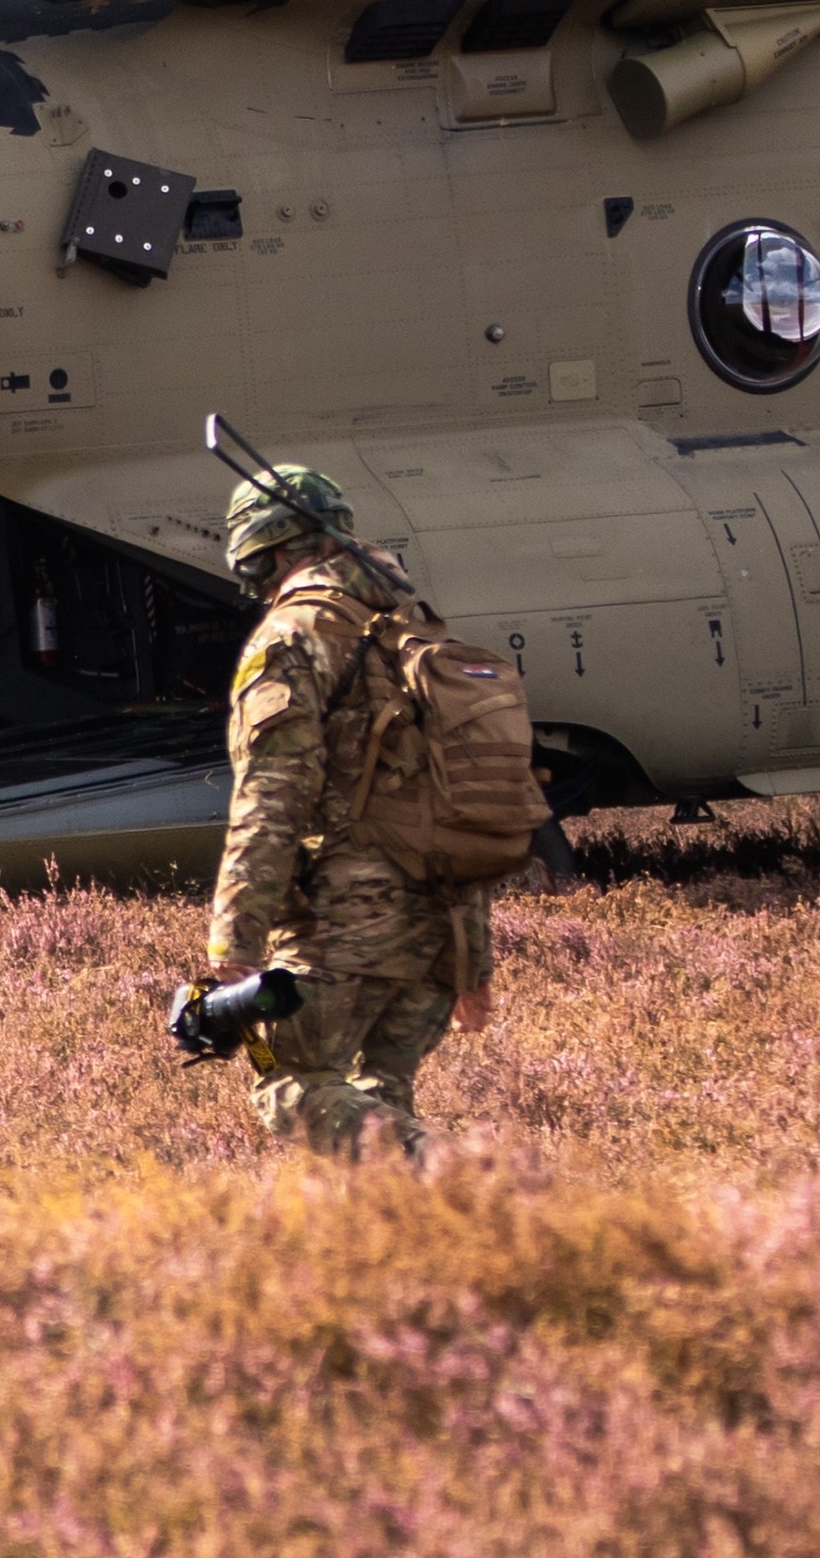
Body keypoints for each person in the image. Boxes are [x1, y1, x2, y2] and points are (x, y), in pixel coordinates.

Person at [205, 462, 504, 1163]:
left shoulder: (291, 639)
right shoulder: (418, 631)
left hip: (345, 923)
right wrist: (473, 962)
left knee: (289, 1081)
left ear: (270, 556)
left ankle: (455, 1175)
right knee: (381, 1092)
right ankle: (414, 1254)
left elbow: (270, 800)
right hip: (437, 928)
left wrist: (234, 943)